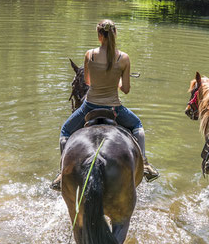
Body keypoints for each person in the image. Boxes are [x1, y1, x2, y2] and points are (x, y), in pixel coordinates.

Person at [51, 19, 159, 190]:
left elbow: (87, 81)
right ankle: (144, 164)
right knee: (137, 126)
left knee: (65, 131)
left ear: (99, 35)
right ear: (115, 34)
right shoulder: (124, 58)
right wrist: (115, 81)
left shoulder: (90, 55)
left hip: (90, 106)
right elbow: (126, 89)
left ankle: (62, 172)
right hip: (115, 109)